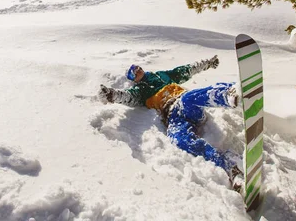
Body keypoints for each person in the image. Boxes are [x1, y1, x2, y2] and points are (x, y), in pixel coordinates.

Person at [97, 56, 244, 192]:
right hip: (172, 116)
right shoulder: (139, 91)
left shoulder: (161, 75)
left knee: (188, 98)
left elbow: (184, 70)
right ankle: (229, 166)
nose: (138, 70)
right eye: (133, 72)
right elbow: (127, 97)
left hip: (185, 103)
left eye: (137, 67)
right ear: (133, 79)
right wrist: (112, 94)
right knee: (178, 138)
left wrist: (207, 64)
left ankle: (230, 94)